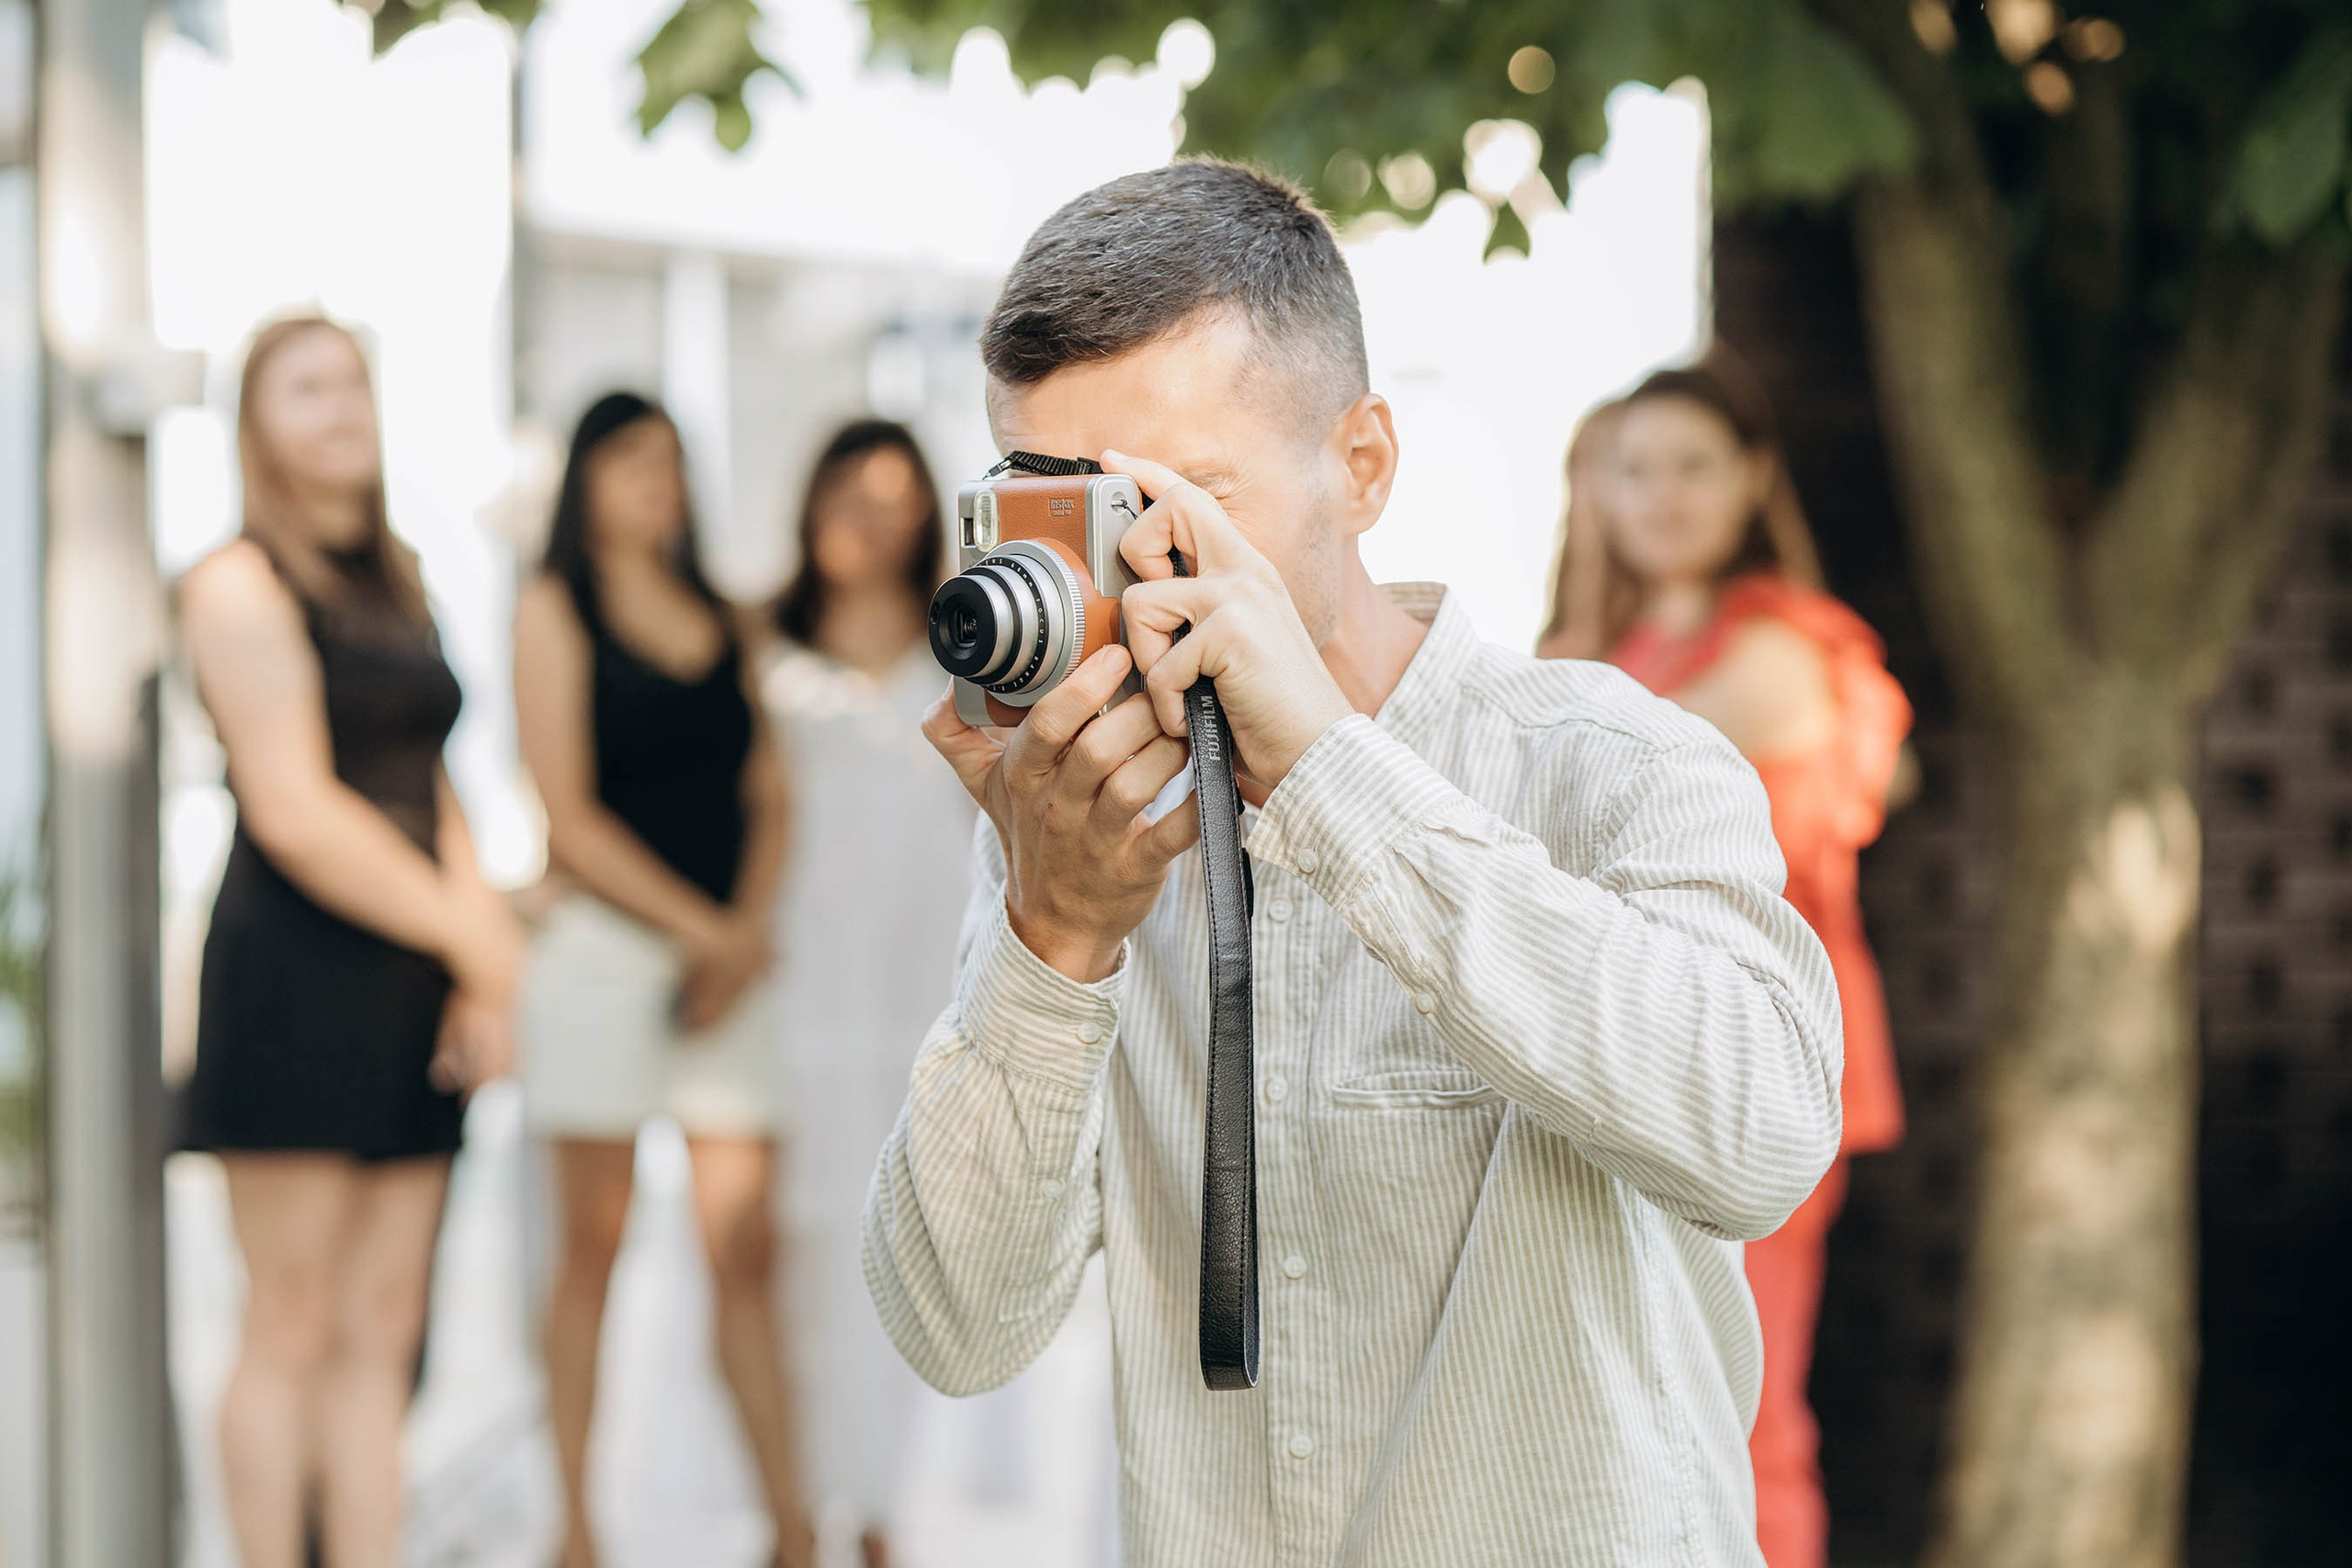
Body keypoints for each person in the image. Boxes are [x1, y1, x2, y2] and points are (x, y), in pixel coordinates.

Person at [864, 159, 1845, 1566]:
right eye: (1057, 505)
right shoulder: (1081, 830)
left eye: (1177, 497)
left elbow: (1759, 1138)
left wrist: (1331, 779)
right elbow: (957, 1326)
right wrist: (1053, 937)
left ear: (1364, 465)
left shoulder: (1606, 758)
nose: (1125, 563)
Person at [1543, 353, 1913, 1568]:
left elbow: (1576, 783)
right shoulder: (1605, 642)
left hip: (1761, 1060)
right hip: (1629, 1049)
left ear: (1754, 477)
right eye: (1631, 466)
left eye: (1692, 464)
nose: (1660, 493)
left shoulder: (1790, 645)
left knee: (1744, 1406)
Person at [178, 313, 521, 1568]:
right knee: (292, 1319)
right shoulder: (235, 579)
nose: (339, 407)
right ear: (255, 421)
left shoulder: (401, 572)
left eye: (353, 384)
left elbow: (435, 784)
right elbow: (298, 810)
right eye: (304, 386)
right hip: (293, 979)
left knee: (383, 1328)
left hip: (410, 983)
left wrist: (480, 952)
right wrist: (476, 941)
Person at [512, 392, 811, 1568]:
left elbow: (773, 794)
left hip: (726, 974)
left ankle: (791, 1530)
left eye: (669, 459)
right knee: (589, 1247)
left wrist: (739, 937)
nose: (654, 479)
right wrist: (709, 936)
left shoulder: (722, 617)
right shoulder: (554, 609)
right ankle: (577, 1530)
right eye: (628, 456)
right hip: (607, 959)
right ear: (584, 476)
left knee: (744, 1249)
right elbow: (567, 819)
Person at [760, 420, 968, 1568]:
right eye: (849, 492)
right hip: (796, 975)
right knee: (796, 1244)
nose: (870, 519)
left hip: (916, 974)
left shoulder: (963, 643)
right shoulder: (762, 642)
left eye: (894, 500)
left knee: (907, 1236)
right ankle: (796, 1501)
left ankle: (890, 1506)